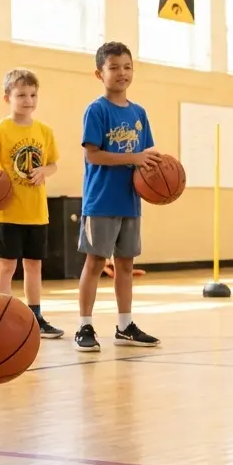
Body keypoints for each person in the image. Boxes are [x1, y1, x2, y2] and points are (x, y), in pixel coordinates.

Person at [73, 42, 161, 352]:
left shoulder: (139, 113)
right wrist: (134, 159)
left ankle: (125, 326)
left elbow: (145, 154)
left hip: (130, 201)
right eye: (114, 67)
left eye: (127, 66)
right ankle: (84, 325)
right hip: (101, 201)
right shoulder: (96, 110)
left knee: (126, 265)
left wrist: (161, 171)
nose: (122, 72)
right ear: (99, 73)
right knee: (96, 262)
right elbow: (94, 156)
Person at [0, 69, 62, 339]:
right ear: (7, 98)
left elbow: (52, 164)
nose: (28, 100)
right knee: (6, 266)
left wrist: (45, 172)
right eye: (21, 95)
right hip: (7, 212)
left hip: (37, 212)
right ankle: (0, 312)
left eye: (32, 95)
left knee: (33, 266)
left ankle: (35, 315)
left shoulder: (45, 131)